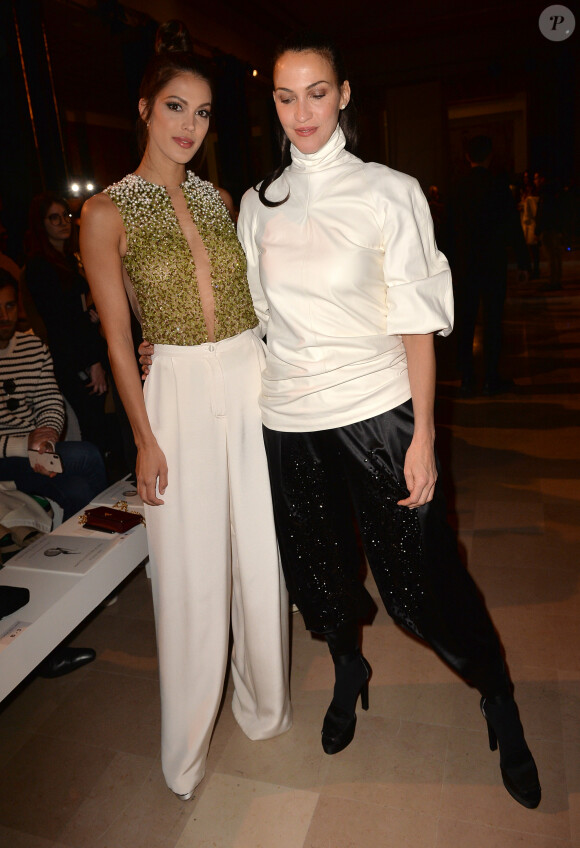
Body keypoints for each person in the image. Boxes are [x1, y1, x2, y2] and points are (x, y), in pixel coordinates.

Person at [236, 33, 540, 809]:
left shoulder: (387, 190)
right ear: (272, 104)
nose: (301, 110)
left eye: (316, 91)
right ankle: (348, 667)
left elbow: (415, 322)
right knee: (320, 572)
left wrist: (425, 436)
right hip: (288, 419)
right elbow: (260, 319)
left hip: (378, 413)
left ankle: (496, 691)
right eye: (284, 95)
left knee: (423, 580)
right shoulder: (257, 205)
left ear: (343, 96)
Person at [79, 21, 291, 801]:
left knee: (259, 553)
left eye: (202, 113)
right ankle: (189, 747)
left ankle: (265, 706)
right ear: (144, 108)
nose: (189, 127)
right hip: (173, 383)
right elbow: (117, 333)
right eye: (175, 107)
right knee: (189, 570)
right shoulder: (105, 213)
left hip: (248, 372)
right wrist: (144, 437)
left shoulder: (220, 198)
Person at [0, 269, 107, 519]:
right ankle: (112, 530)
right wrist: (24, 445)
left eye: (9, 306)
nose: (4, 316)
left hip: (31, 456)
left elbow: (50, 402)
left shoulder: (33, 347)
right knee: (87, 455)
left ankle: (81, 552)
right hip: (7, 455)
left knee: (79, 491)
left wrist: (46, 440)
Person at [24, 193, 111, 452]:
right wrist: (92, 361)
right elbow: (62, 321)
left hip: (83, 350)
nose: (63, 222)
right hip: (74, 358)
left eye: (66, 216)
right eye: (54, 217)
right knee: (92, 426)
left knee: (99, 423)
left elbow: (78, 306)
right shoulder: (41, 267)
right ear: (42, 224)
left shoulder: (69, 260)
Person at [447, 135, 530, 396]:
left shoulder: (457, 188)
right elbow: (512, 227)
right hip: (493, 263)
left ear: (467, 157)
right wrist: (524, 262)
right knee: (493, 320)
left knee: (465, 320)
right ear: (490, 156)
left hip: (464, 264)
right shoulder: (498, 187)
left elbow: (447, 231)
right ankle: (491, 377)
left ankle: (467, 377)